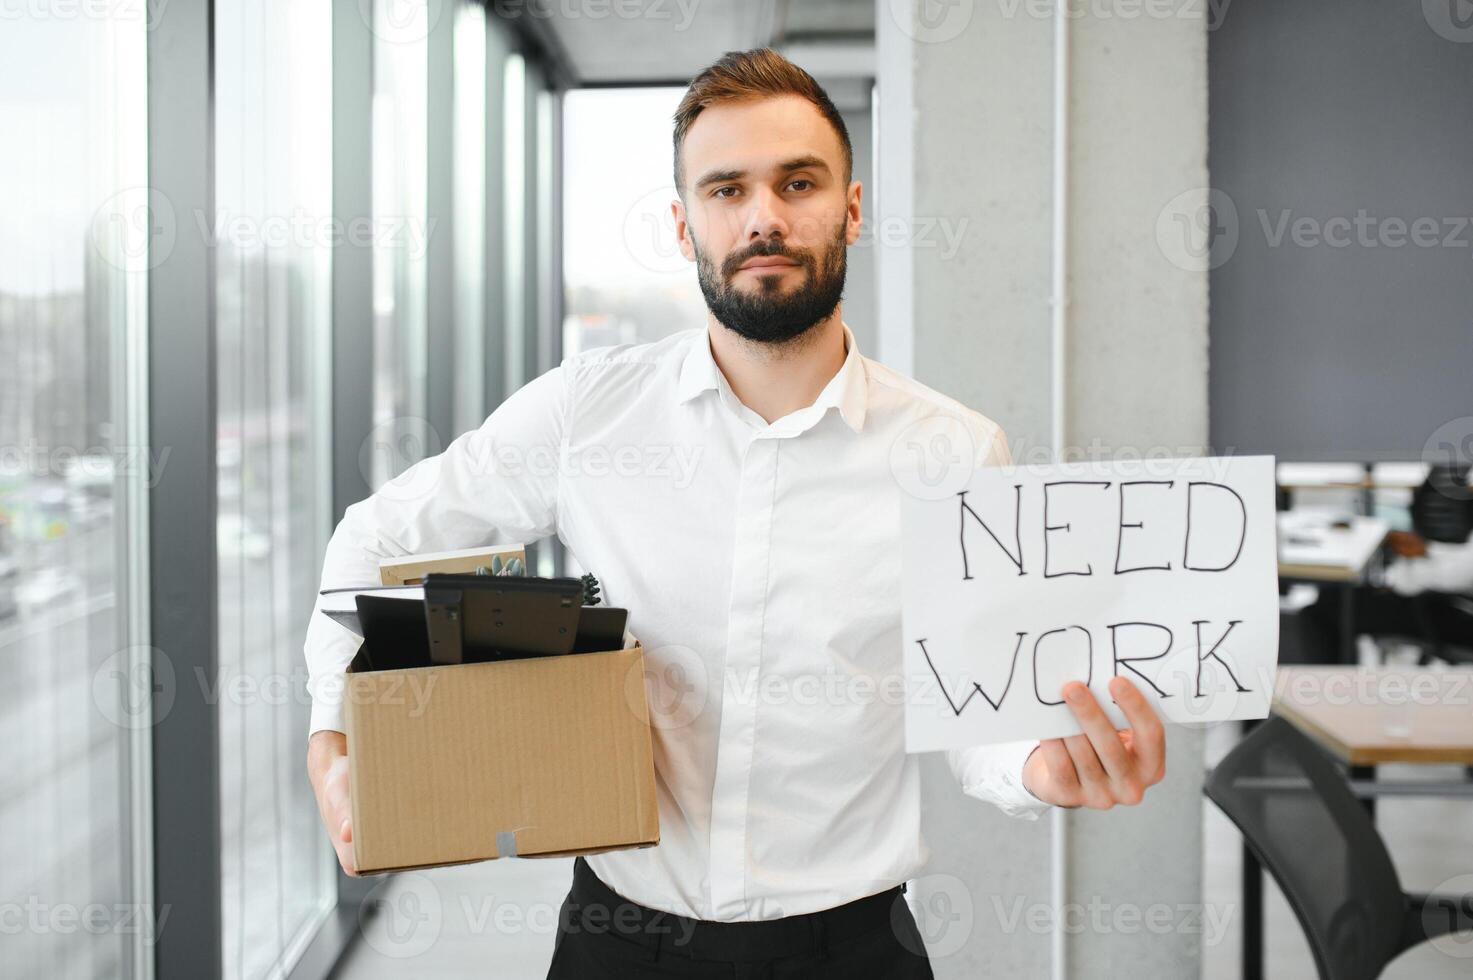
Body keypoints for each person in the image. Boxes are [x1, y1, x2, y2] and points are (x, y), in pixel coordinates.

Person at [304, 48, 1167, 979]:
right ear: (684, 226)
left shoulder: (954, 454)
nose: (764, 217)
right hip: (619, 942)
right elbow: (379, 537)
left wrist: (1040, 764)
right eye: (726, 190)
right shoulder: (588, 415)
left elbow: (977, 706)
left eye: (798, 182)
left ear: (852, 207)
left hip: (853, 948)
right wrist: (332, 734)